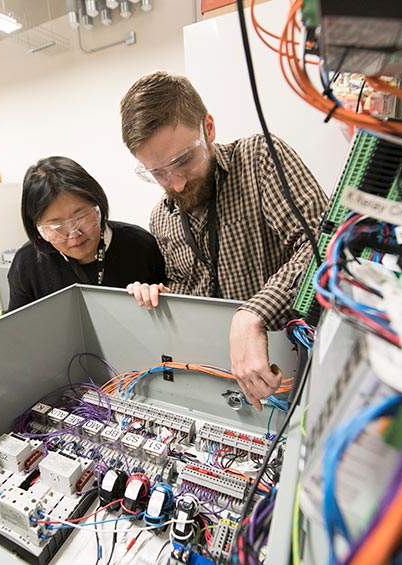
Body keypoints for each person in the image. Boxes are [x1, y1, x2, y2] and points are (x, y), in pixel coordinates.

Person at [120, 71, 328, 411]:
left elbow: (321, 244)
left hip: (291, 367)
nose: (176, 183)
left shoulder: (260, 160)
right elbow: (191, 288)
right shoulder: (161, 218)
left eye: (183, 160)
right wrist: (166, 299)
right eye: (157, 172)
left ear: (209, 128)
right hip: (219, 381)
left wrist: (254, 313)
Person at [7, 156, 165, 311]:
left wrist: (158, 298)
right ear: (38, 229)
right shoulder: (28, 263)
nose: (74, 235)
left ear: (98, 207)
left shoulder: (141, 245)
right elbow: (18, 330)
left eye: (81, 218)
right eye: (57, 227)